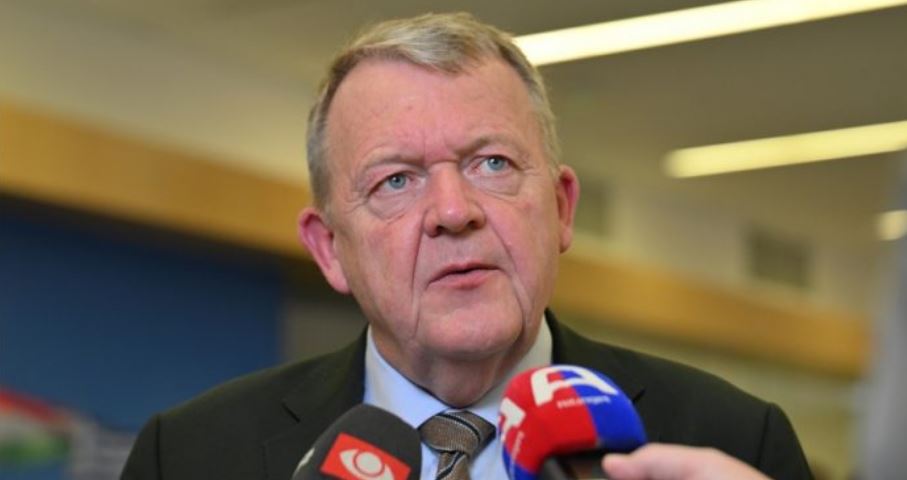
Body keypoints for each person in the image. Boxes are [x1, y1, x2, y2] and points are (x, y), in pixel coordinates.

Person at [121, 12, 812, 480]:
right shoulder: (189, 456)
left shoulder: (730, 439)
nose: (454, 212)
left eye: (492, 164)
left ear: (561, 208)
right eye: (396, 180)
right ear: (329, 249)